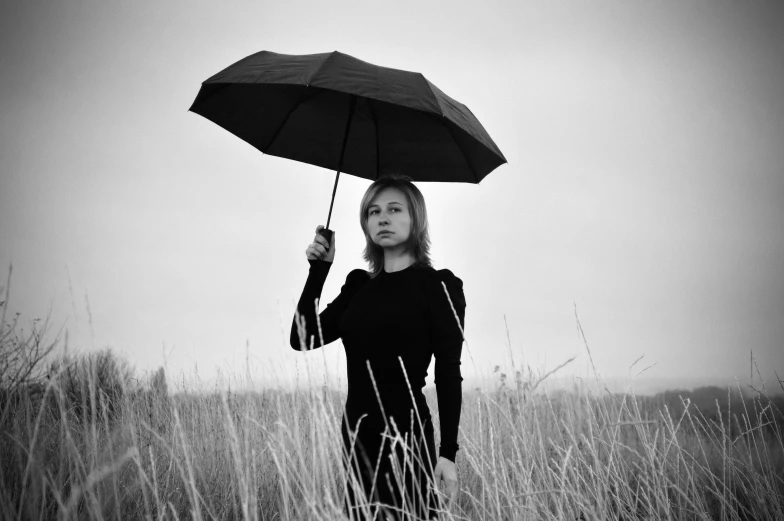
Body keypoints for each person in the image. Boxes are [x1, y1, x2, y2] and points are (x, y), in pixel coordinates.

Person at [289, 175, 466, 521]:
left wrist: (447, 453)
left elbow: (448, 372)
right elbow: (303, 337)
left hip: (408, 437)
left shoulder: (439, 286)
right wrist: (318, 271)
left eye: (394, 209)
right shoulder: (359, 286)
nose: (382, 218)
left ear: (416, 218)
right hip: (356, 436)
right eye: (373, 211)